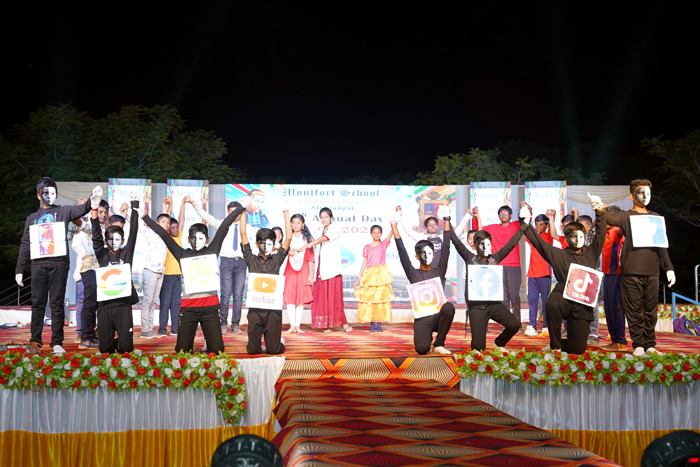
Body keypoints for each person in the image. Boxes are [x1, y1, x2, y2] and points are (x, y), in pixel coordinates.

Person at [143, 201, 247, 354]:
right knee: (182, 351)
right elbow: (164, 234)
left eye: (200, 238)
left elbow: (225, 225)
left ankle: (208, 343)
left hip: (210, 308)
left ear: (207, 239)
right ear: (188, 239)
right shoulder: (182, 254)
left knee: (217, 350)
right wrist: (143, 216)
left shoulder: (212, 251)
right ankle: (190, 343)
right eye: (193, 238)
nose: (196, 241)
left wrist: (241, 207)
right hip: (188, 309)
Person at [590, 179, 675, 357]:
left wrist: (669, 268)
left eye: (648, 193)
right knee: (634, 310)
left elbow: (662, 245)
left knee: (650, 310)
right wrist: (599, 209)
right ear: (631, 196)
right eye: (641, 193)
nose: (645, 196)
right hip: (630, 271)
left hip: (652, 270)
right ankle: (639, 345)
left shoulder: (656, 217)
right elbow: (609, 218)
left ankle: (650, 344)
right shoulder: (626, 216)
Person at [15, 177, 99, 354]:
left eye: (52, 192)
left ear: (57, 194)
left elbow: (80, 209)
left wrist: (92, 200)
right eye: (45, 193)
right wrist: (19, 269)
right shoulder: (32, 218)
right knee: (37, 303)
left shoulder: (63, 211)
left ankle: (57, 342)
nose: (49, 196)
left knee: (57, 303)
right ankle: (35, 341)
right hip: (38, 264)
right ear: (38, 195)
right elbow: (25, 243)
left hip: (59, 264)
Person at [522, 200, 606, 355]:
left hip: (582, 303)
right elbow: (538, 243)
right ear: (566, 239)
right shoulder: (558, 254)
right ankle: (555, 345)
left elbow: (601, 234)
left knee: (578, 349)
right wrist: (525, 222)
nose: (578, 239)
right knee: (552, 304)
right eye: (573, 236)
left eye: (580, 236)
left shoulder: (591, 252)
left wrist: (600, 212)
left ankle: (562, 343)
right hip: (563, 297)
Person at [449, 210, 527, 351]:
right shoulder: (470, 258)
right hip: (477, 308)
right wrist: (446, 219)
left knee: (514, 324)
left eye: (488, 244)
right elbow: (455, 240)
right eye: (481, 244)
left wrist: (524, 225)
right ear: (475, 245)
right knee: (479, 347)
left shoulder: (494, 258)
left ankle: (499, 343)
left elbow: (511, 244)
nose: (485, 247)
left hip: (494, 305)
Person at [390, 207, 455, 355]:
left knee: (449, 308)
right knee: (422, 349)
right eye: (423, 253)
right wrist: (394, 226)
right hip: (422, 318)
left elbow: (446, 246)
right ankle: (426, 338)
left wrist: (446, 219)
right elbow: (402, 252)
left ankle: (439, 343)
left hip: (438, 316)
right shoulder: (413, 273)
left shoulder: (439, 271)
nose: (427, 255)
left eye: (429, 253)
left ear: (434, 255)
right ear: (417, 256)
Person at [190, 197, 253, 335]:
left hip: (241, 262)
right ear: (227, 213)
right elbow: (207, 218)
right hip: (226, 262)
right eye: (231, 212)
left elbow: (259, 239)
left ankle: (235, 324)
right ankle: (223, 323)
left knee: (238, 295)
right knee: (225, 295)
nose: (234, 215)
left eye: (237, 212)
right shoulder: (222, 225)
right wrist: (194, 204)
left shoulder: (248, 228)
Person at [240, 201, 292, 354]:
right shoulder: (251, 259)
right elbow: (243, 233)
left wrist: (285, 212)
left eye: (269, 244)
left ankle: (278, 341)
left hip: (273, 311)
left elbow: (288, 237)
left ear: (274, 244)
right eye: (262, 243)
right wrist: (243, 210)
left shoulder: (277, 259)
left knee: (274, 350)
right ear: (257, 244)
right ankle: (258, 343)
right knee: (252, 351)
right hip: (255, 311)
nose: (266, 247)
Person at [92, 192, 140, 354]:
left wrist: (134, 205)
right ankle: (109, 340)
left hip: (123, 305)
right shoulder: (102, 254)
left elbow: (133, 232)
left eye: (117, 239)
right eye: (110, 239)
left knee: (126, 348)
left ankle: (124, 340)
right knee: (105, 349)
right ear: (106, 242)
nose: (114, 242)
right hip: (105, 306)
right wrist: (94, 208)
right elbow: (96, 236)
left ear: (123, 241)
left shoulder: (127, 253)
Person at [304, 208, 353, 332]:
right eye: (321, 217)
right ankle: (326, 325)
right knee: (322, 298)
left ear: (331, 218)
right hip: (321, 269)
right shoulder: (320, 230)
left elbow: (323, 239)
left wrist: (309, 244)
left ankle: (342, 323)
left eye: (326, 217)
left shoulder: (334, 228)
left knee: (334, 298)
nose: (324, 219)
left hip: (332, 269)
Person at [481, 205, 523, 329]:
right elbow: (479, 230)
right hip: (498, 266)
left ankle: (517, 324)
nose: (503, 216)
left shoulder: (515, 225)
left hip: (513, 265)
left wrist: (524, 208)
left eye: (505, 213)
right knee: (503, 298)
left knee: (514, 296)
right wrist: (476, 216)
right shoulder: (493, 228)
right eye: (500, 214)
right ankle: (508, 324)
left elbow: (526, 220)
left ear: (511, 215)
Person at [135, 210, 170, 339]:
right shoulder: (150, 232)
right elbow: (137, 225)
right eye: (163, 222)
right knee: (148, 300)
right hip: (150, 270)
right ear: (156, 223)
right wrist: (128, 213)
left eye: (168, 223)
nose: (166, 224)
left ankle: (149, 328)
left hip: (160, 271)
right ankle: (145, 329)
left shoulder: (165, 237)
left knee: (154, 301)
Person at [354, 224, 395, 332]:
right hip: (370, 275)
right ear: (371, 234)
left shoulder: (383, 244)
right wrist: (358, 279)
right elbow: (364, 264)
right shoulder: (367, 247)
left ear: (381, 234)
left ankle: (379, 323)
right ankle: (372, 323)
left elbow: (391, 234)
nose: (376, 234)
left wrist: (394, 223)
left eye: (378, 232)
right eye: (374, 232)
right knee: (371, 299)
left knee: (380, 299)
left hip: (381, 276)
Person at [599, 205, 627, 352]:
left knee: (616, 308)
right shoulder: (605, 231)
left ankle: (620, 341)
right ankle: (615, 340)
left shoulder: (617, 231)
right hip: (607, 274)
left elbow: (623, 227)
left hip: (616, 273)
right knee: (609, 308)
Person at [158, 196, 186, 336]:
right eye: (172, 227)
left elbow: (182, 220)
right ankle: (162, 329)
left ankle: (175, 329)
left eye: (176, 227)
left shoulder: (179, 237)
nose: (175, 229)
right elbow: (165, 221)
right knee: (165, 303)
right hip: (167, 275)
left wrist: (183, 204)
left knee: (176, 304)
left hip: (177, 275)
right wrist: (167, 205)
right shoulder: (166, 239)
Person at [522, 211, 554, 338]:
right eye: (536, 224)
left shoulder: (549, 236)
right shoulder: (533, 237)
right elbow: (526, 228)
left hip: (545, 275)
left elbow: (553, 231)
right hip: (532, 275)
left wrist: (552, 218)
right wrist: (528, 212)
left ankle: (546, 326)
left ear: (546, 226)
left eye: (541, 225)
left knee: (546, 302)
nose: (538, 227)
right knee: (532, 302)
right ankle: (533, 326)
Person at [71, 214, 100, 349]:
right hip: (84, 272)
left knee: (93, 303)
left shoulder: (98, 231)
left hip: (96, 271)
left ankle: (92, 333)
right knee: (84, 303)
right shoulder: (80, 234)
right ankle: (82, 333)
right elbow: (78, 249)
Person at [283, 214, 315, 333]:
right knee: (290, 298)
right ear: (290, 224)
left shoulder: (307, 239)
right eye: (293, 223)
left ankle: (297, 326)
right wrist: (287, 253)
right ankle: (292, 326)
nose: (295, 225)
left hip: (303, 270)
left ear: (303, 224)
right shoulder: (288, 237)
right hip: (289, 269)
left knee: (300, 299)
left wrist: (311, 274)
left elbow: (311, 258)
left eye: (298, 223)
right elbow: (282, 253)